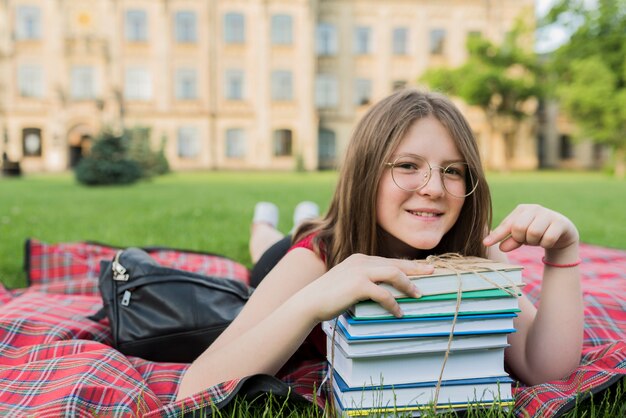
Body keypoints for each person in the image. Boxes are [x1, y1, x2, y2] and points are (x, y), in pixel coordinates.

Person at [176, 89, 583, 400]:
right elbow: (193, 389)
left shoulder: (474, 248)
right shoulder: (314, 258)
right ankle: (265, 222)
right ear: (367, 172)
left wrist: (563, 253)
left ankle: (300, 213)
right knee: (272, 241)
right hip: (300, 250)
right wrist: (314, 299)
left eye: (453, 171)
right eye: (408, 166)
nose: (435, 188)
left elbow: (543, 367)